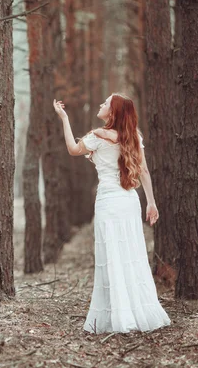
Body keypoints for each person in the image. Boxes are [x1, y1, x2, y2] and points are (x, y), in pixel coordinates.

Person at [53, 93, 171, 334]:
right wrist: (151, 202)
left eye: (105, 103)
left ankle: (118, 315)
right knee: (131, 254)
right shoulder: (134, 138)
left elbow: (73, 149)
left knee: (112, 257)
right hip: (129, 201)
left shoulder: (98, 136)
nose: (100, 104)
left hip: (108, 202)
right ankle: (136, 312)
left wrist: (64, 118)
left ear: (113, 112)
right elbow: (144, 171)